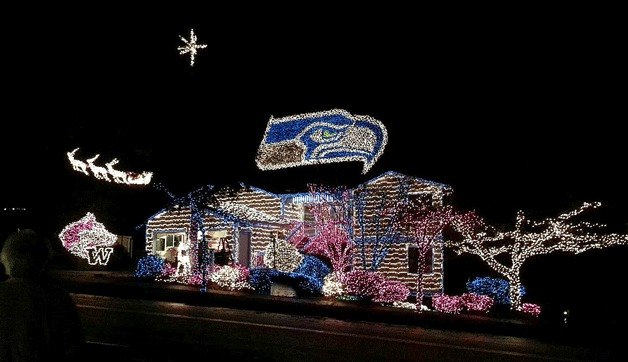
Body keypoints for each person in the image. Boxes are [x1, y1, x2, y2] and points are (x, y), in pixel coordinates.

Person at [0, 229, 84, 361]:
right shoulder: (58, 298)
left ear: (6, 257)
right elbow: (73, 346)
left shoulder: (4, 293)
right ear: (43, 260)